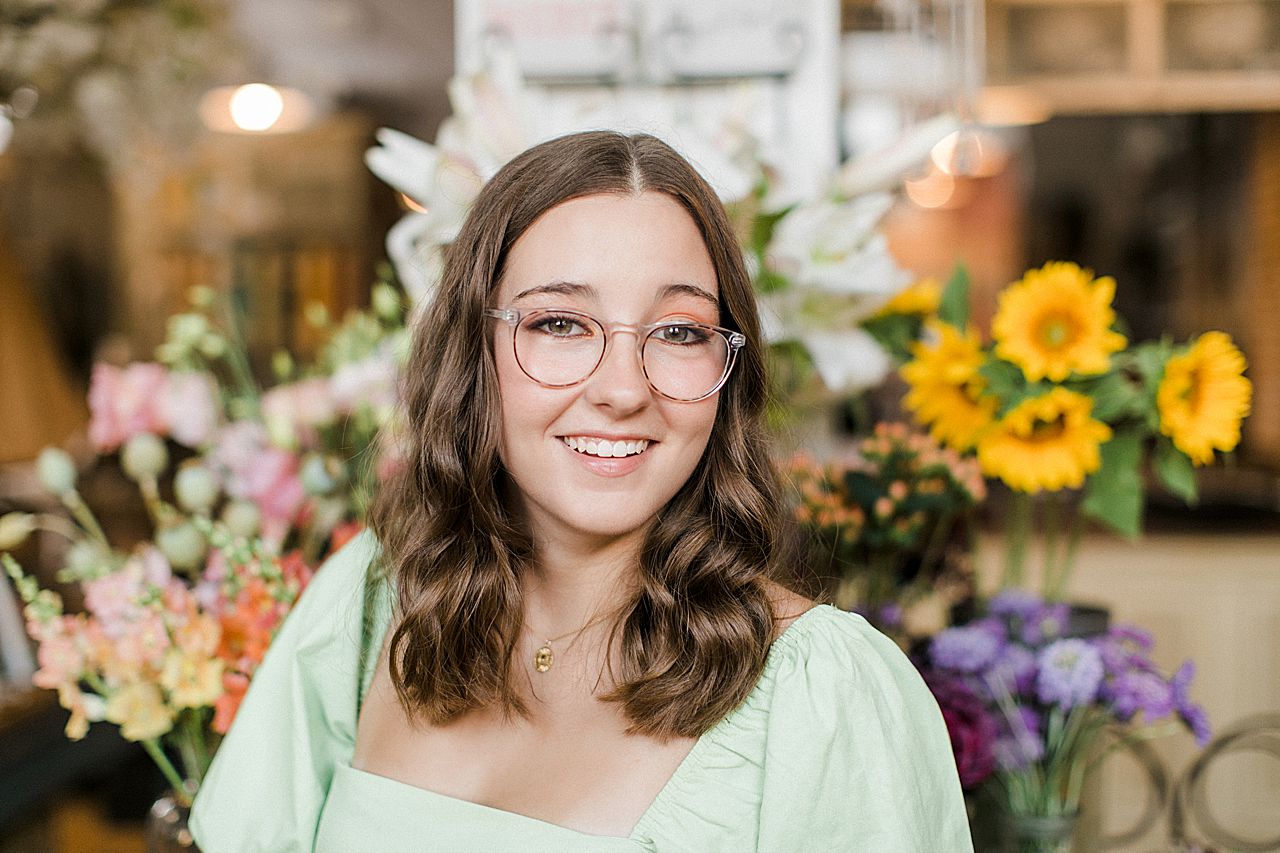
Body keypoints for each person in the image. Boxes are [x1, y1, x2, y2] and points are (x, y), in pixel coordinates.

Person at [189, 130, 973, 852]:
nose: (623, 390)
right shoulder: (369, 603)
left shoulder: (826, 696)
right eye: (561, 323)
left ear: (727, 373)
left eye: (679, 332)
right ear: (475, 352)